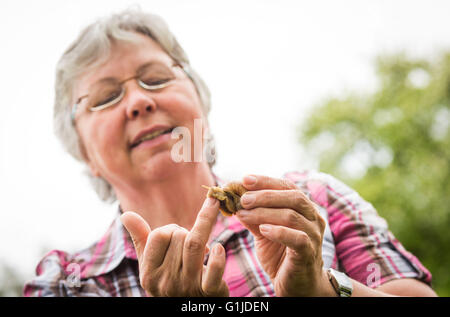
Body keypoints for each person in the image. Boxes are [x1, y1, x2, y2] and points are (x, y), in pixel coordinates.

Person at [24, 8, 436, 297]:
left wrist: (321, 291)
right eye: (106, 96)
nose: (137, 102)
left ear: (200, 103)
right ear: (84, 153)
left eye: (154, 78)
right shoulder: (65, 282)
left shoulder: (314, 201)